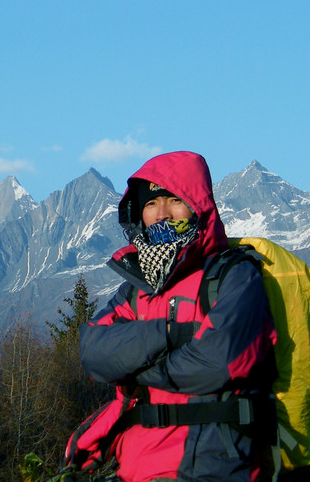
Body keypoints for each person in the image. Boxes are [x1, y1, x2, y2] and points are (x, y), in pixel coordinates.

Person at [79, 151, 279, 482]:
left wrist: (133, 371)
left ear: (199, 206)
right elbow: (93, 351)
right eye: (151, 203)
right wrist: (172, 334)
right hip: (135, 471)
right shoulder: (137, 287)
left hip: (212, 468)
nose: (162, 214)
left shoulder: (234, 275)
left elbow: (218, 364)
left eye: (175, 200)